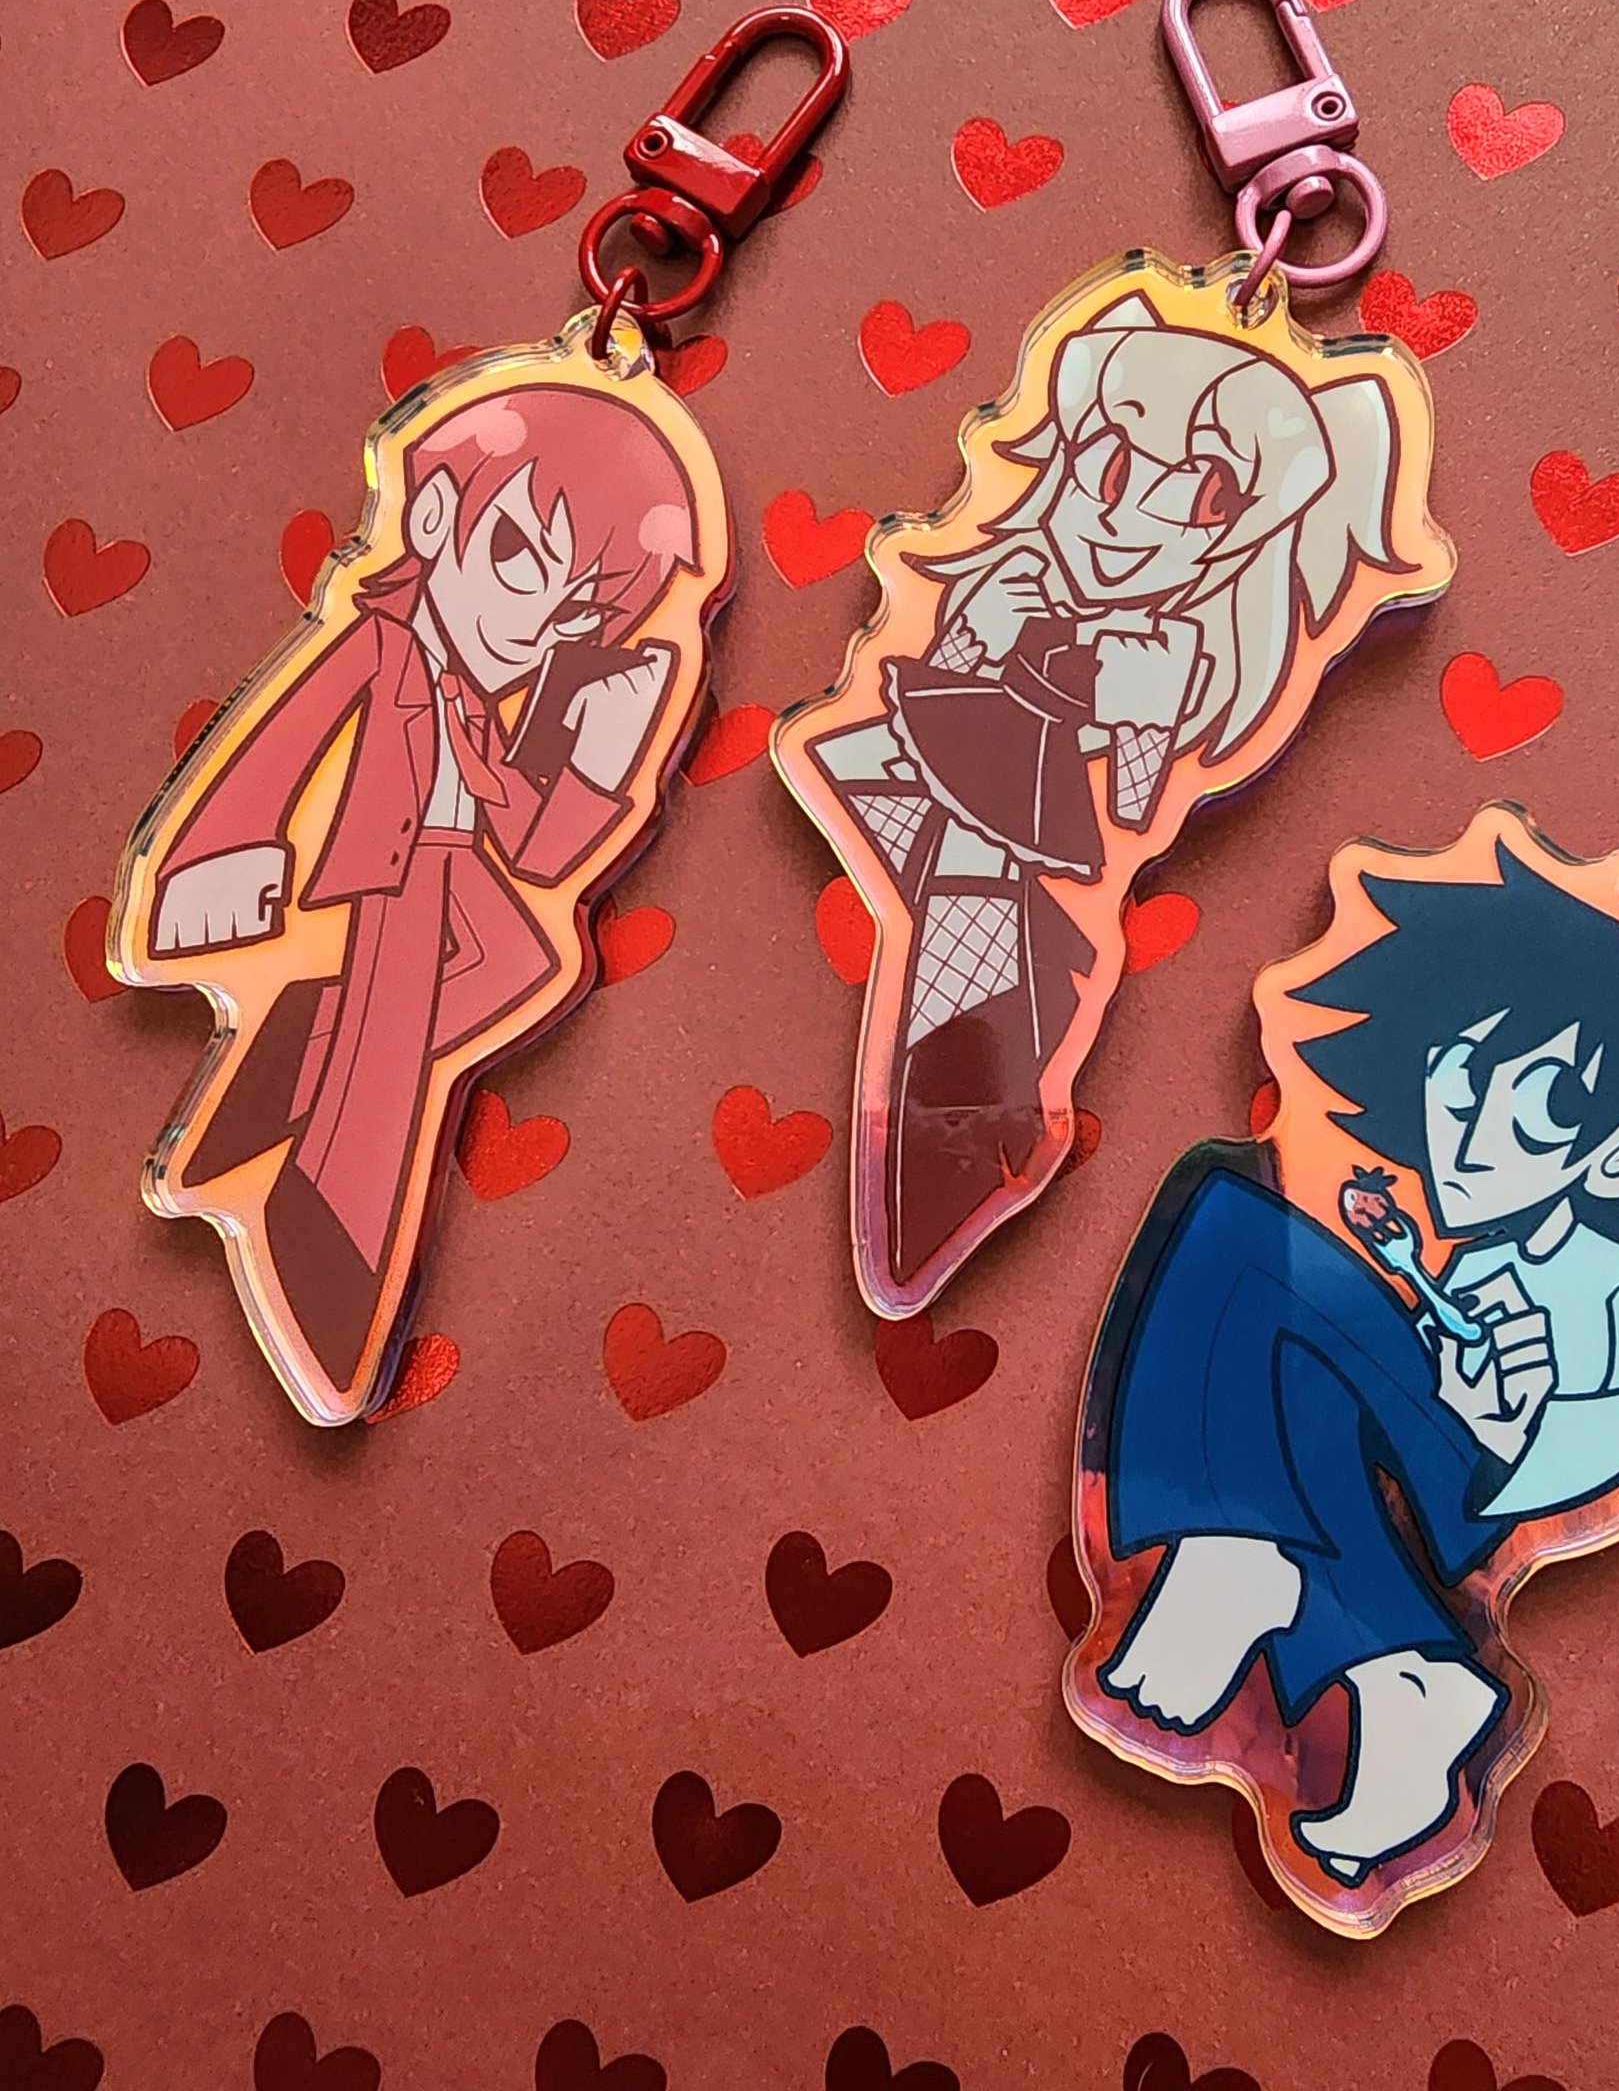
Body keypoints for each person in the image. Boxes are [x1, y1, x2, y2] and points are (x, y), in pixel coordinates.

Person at [1095, 847, 1619, 1882]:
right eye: (1456, 1084)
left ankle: (1264, 1570)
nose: (1469, 1139)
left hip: (1495, 1481)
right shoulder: (1482, 1252)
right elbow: (1418, 1368)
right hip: (1434, 1450)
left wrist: (1517, 1433)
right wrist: (1419, 1301)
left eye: (1536, 1109)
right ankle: (1405, 1678)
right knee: (1286, 1353)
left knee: (1236, 1234)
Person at [802, 289, 1402, 1294]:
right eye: (1111, 467)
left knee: (997, 940)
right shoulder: (1007, 578)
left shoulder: (1173, 655)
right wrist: (979, 633)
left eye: (1205, 497)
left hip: (1034, 837)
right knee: (960, 919)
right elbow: (923, 700)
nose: (1129, 516)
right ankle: (947, 1140)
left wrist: (1141, 717)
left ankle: (952, 1140)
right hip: (922, 785)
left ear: (1247, 538)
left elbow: (1134, 813)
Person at [140, 382, 699, 1407]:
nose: (533, 625)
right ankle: (325, 1268)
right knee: (384, 1077)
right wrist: (214, 860)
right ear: (433, 516)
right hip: (386, 883)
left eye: (576, 611)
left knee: (494, 987)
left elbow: (536, 850)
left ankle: (266, 1099)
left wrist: (597, 758)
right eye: (521, 558)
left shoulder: (489, 706)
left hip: (456, 891)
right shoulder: (375, 644)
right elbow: (279, 745)